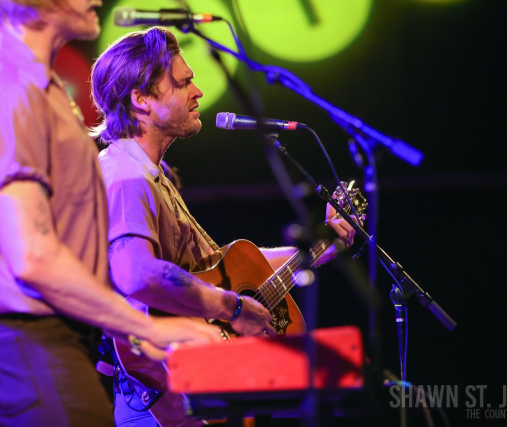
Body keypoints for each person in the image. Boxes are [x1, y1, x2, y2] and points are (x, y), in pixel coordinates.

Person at [0, 0, 221, 426]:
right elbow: (33, 256)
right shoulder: (9, 91)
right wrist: (150, 329)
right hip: (31, 351)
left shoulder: (32, 88)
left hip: (33, 353)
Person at [90, 27, 357, 426]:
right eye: (183, 83)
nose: (197, 92)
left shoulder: (152, 175)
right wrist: (234, 308)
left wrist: (322, 247)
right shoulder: (126, 177)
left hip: (191, 386)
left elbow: (227, 271)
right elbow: (136, 273)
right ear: (141, 99)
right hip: (161, 395)